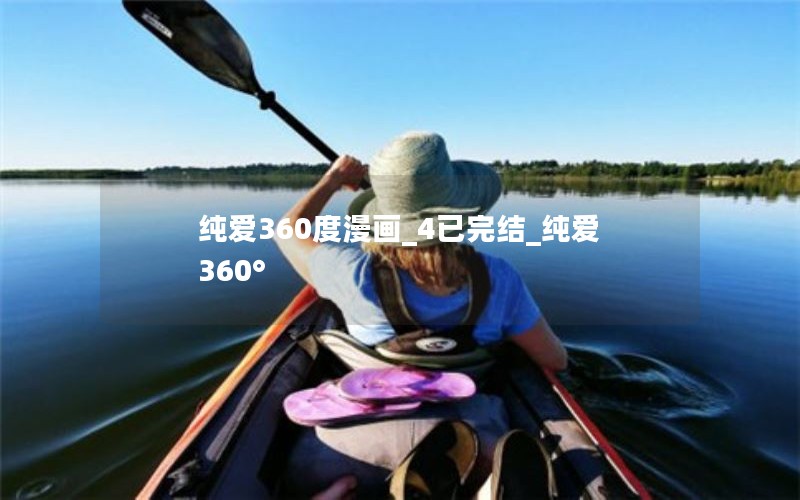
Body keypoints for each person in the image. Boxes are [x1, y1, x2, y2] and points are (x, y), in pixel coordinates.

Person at [276, 131, 567, 498]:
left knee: (306, 473)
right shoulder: (500, 279)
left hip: (355, 449)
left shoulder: (351, 272)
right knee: (503, 455)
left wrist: (332, 179)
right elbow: (555, 359)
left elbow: (287, 231)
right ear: (462, 211)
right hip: (471, 441)